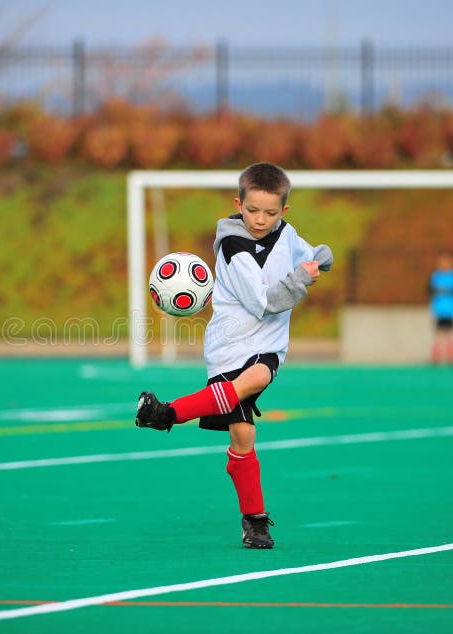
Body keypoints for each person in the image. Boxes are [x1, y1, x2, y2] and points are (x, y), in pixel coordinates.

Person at [135, 162, 333, 549]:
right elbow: (265, 304)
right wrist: (302, 278)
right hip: (229, 348)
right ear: (237, 204)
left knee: (255, 388)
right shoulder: (233, 248)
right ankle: (254, 521)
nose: (260, 219)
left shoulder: (286, 233)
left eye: (270, 213)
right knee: (243, 435)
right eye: (252, 210)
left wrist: (322, 258)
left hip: (268, 348)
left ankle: (166, 414)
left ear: (284, 212)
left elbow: (310, 253)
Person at [429, 252, 453, 365]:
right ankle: (436, 357)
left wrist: (446, 290)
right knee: (438, 333)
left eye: (447, 261)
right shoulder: (436, 276)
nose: (444, 264)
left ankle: (451, 357)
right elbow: (429, 290)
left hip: (451, 310)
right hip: (439, 309)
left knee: (450, 333)